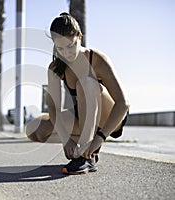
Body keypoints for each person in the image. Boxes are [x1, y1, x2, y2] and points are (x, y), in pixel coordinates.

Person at [26, 13, 130, 175]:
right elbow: (53, 108)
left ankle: (86, 155)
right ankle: (86, 151)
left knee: (85, 82)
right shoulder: (55, 68)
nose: (66, 53)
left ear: (79, 37)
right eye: (60, 48)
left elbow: (123, 103)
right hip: (83, 116)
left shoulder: (96, 59)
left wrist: (99, 138)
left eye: (70, 46)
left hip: (110, 117)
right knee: (34, 129)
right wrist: (66, 140)